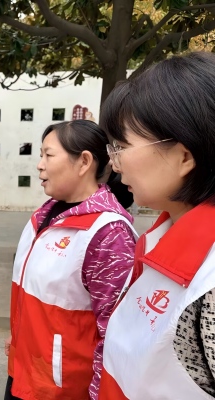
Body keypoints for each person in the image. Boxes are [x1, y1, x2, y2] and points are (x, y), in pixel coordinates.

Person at [98, 52, 215, 399]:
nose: (115, 164)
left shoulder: (208, 288)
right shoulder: (156, 240)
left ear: (184, 156)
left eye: (121, 146)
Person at [5, 120, 137, 400]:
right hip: (24, 370)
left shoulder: (108, 234)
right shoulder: (43, 216)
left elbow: (115, 334)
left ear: (84, 162)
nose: (40, 165)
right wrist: (17, 334)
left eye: (48, 155)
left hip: (63, 390)